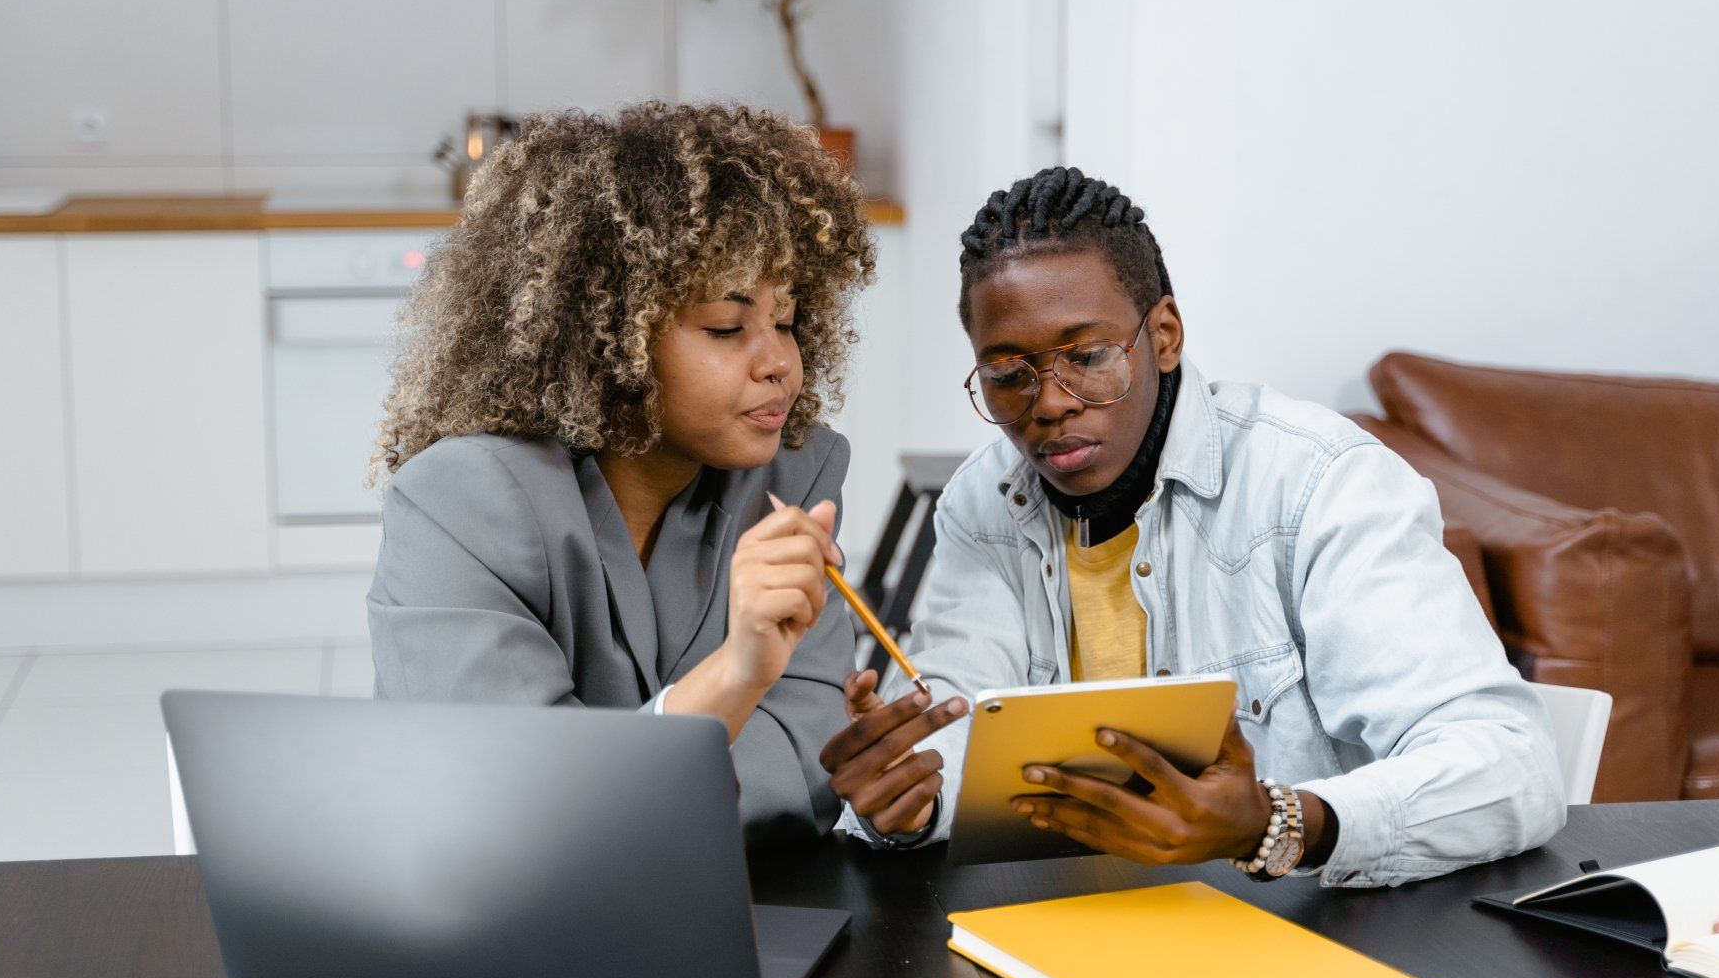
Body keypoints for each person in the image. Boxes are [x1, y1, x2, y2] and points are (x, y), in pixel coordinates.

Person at [859, 166, 1565, 884]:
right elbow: (953, 729)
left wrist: (1277, 823)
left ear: (1163, 335)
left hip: (1311, 939)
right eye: (1008, 373)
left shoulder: (1321, 483)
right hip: (1074, 932)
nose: (1050, 404)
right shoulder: (983, 504)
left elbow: (1512, 766)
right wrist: (911, 796)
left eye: (1087, 357)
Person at [366, 102, 963, 845]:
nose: (778, 361)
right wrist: (737, 678)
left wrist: (610, 782)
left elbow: (805, 763)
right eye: (726, 326)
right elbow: (511, 808)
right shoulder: (460, 504)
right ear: (605, 333)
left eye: (786, 319)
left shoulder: (793, 476)